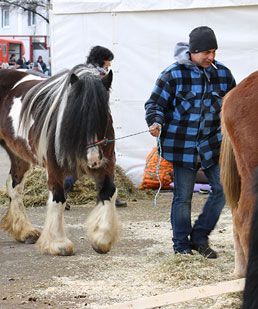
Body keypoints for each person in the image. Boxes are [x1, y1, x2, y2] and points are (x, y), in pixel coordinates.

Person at [144, 26, 236, 257]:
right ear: (192, 51)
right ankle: (181, 246)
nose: (211, 57)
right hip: (181, 147)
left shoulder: (223, 74)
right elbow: (154, 104)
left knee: (223, 190)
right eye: (206, 52)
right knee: (183, 197)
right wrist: (155, 122)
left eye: (214, 51)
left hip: (212, 145)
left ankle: (200, 236)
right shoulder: (172, 74)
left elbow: (234, 107)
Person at [64, 45, 127, 208]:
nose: (110, 64)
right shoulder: (94, 75)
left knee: (102, 159)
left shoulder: (87, 72)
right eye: (108, 60)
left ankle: (107, 191)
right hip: (96, 123)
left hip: (95, 121)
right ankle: (66, 189)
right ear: (101, 59)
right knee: (98, 159)